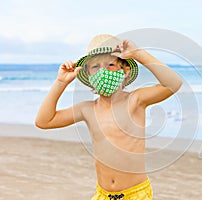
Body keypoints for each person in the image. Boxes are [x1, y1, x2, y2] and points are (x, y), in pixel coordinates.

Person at [35, 34, 182, 200]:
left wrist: (138, 54)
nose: (103, 71)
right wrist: (61, 83)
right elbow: (44, 121)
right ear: (89, 76)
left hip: (136, 194)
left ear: (125, 71)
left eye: (110, 64)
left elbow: (173, 83)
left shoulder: (135, 101)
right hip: (102, 195)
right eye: (95, 67)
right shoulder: (87, 109)